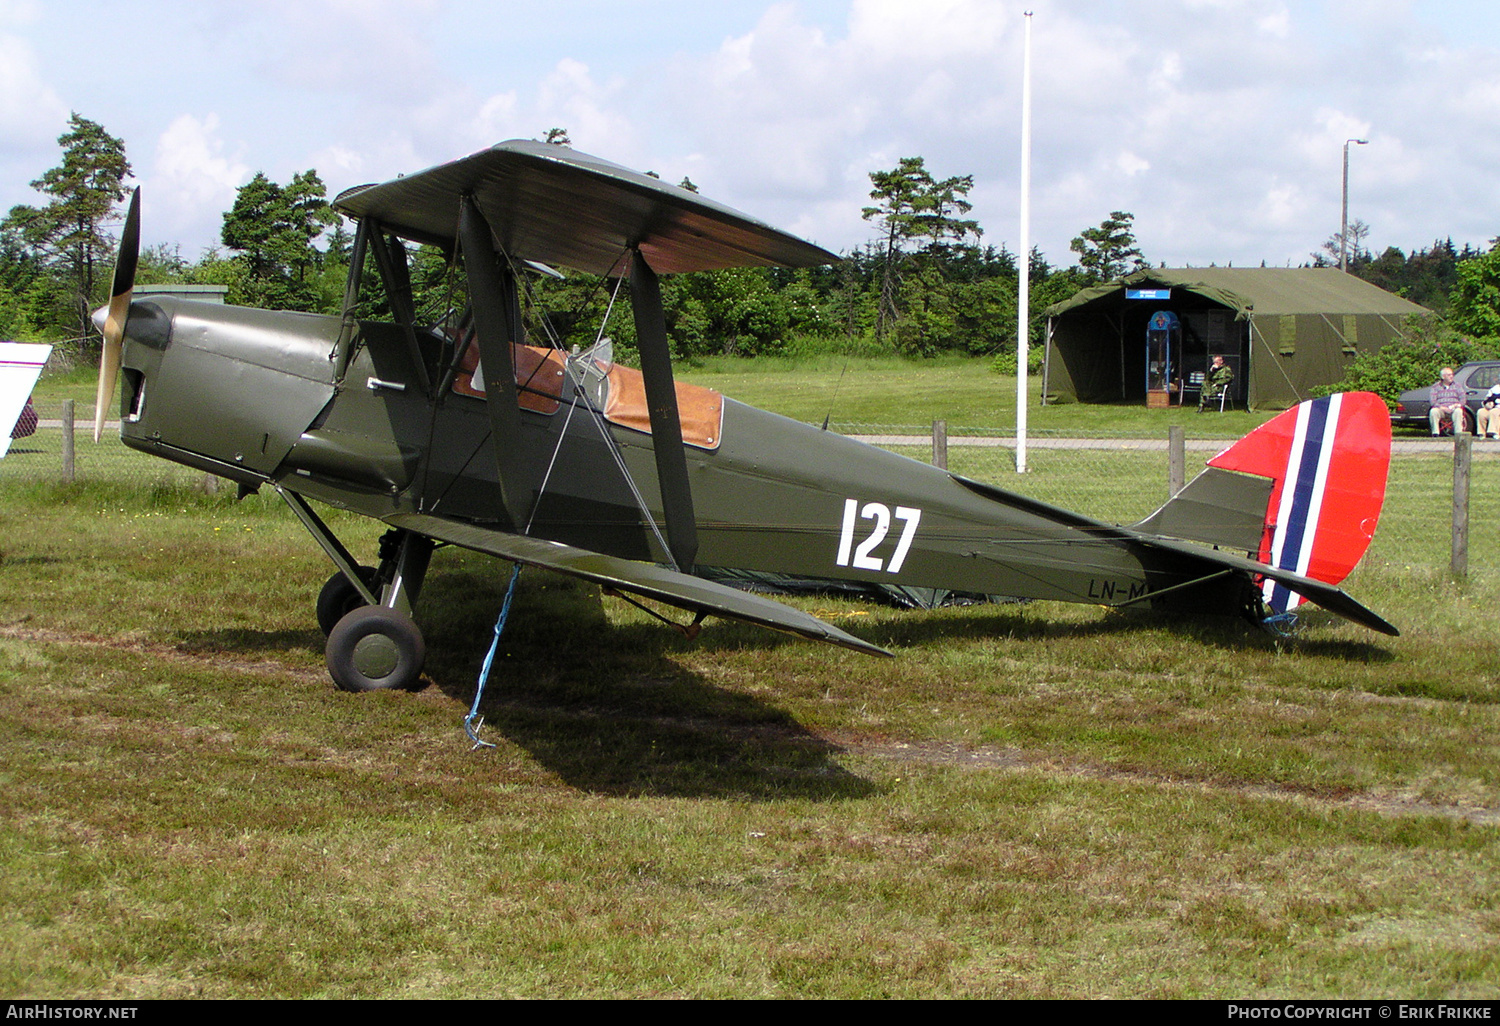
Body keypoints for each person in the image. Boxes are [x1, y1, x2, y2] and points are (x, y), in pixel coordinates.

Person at [1428, 367, 1468, 436]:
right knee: (1433, 411)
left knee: (1458, 411)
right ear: (1443, 377)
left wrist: (1457, 405)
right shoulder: (1435, 387)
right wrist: (1442, 407)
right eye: (1449, 375)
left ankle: (1458, 434)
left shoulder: (1457, 385)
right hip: (1441, 409)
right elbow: (1433, 401)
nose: (1451, 376)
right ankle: (1435, 433)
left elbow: (1463, 398)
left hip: (1454, 409)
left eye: (1452, 374)